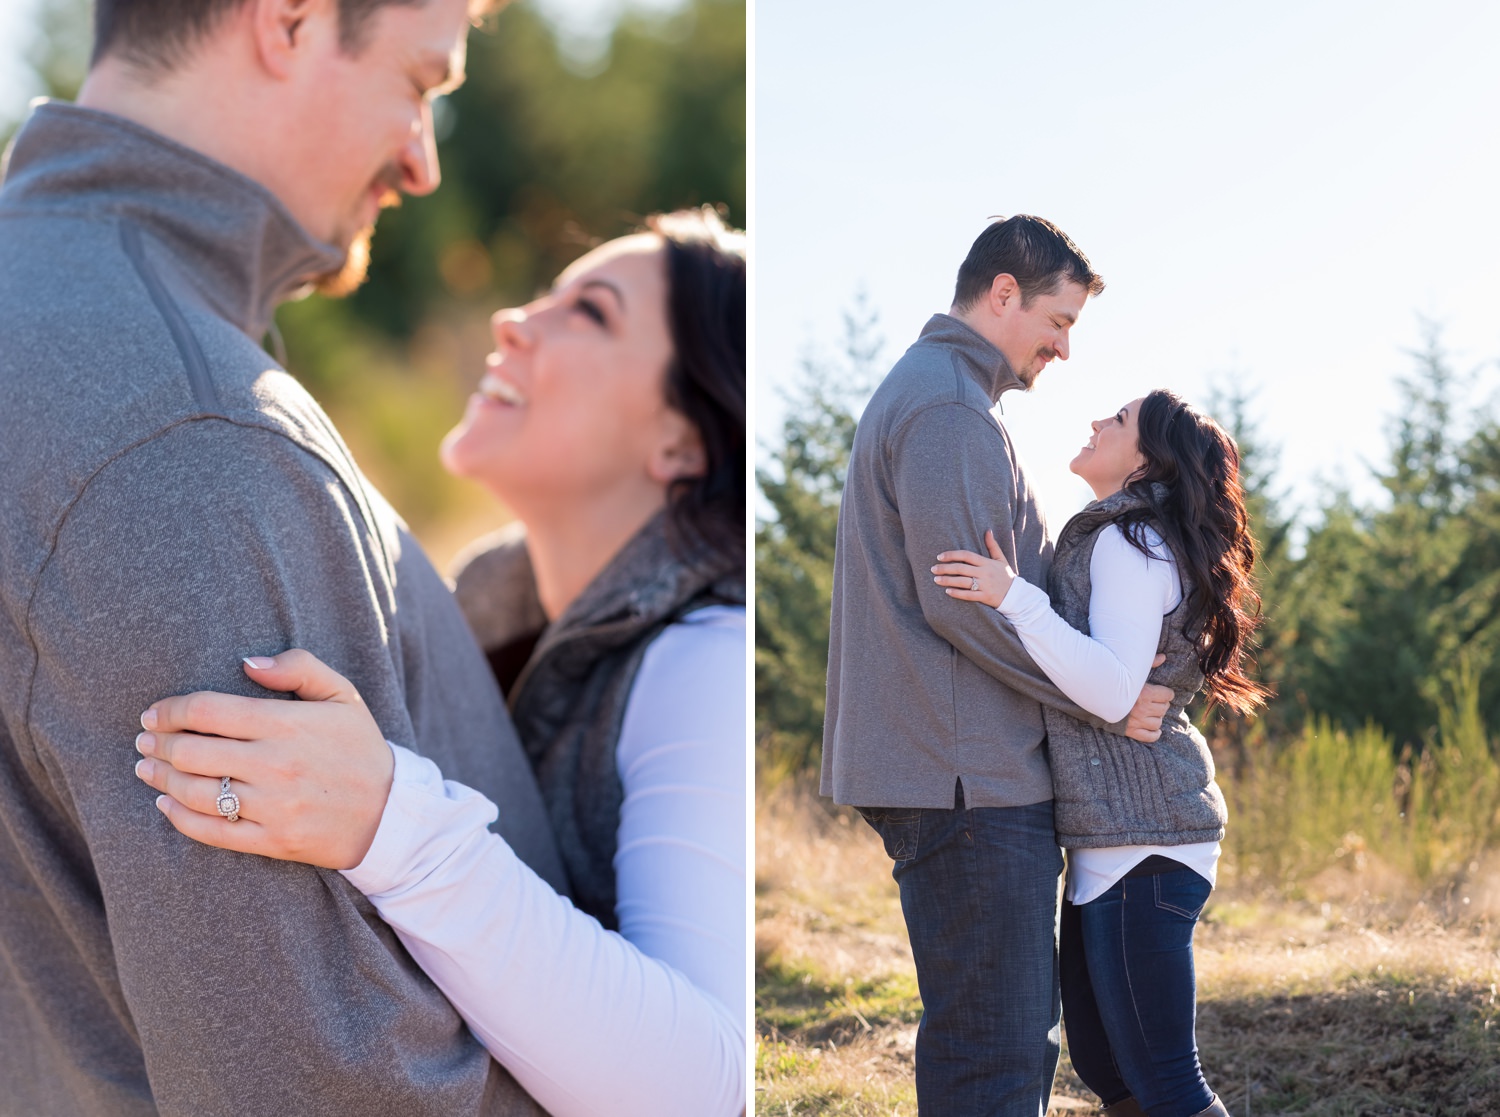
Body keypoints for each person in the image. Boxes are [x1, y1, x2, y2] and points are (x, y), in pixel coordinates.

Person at [0, 0, 571, 1113]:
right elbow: (323, 1085)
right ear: (293, 21)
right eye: (420, 84)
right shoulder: (196, 441)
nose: (423, 163)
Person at [130, 211, 748, 1117]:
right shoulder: (480, 605)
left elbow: (707, 1088)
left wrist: (390, 822)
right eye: (546, 293)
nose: (512, 320)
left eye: (591, 312)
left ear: (680, 442)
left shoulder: (708, 661)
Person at [820, 213, 1176, 1116]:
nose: (1063, 348)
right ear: (1004, 293)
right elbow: (964, 603)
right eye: (1058, 322)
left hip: (960, 770)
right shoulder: (949, 409)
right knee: (1000, 1051)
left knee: (991, 1039)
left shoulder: (950, 398)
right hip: (967, 779)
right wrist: (1107, 698)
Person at [933, 391, 1264, 1117]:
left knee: (1167, 1081)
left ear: (1145, 460)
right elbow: (1121, 680)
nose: (1095, 422)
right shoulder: (1122, 537)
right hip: (1112, 839)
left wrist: (1014, 599)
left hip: (1147, 841)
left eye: (1117, 421)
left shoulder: (1131, 541)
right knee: (1111, 1071)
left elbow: (1114, 688)